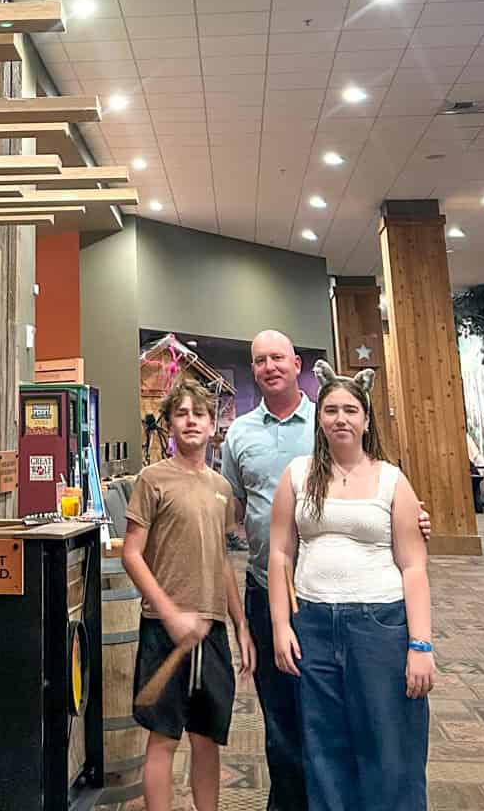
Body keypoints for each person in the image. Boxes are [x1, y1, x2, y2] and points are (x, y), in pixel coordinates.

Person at [222, 331, 430, 810]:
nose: (340, 418)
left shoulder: (388, 475)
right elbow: (267, 541)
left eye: (350, 410)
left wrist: (421, 642)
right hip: (298, 612)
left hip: (377, 622)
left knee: (385, 737)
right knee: (308, 738)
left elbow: (412, 562)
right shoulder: (259, 446)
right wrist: (278, 625)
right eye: (260, 360)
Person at [122, 377, 256, 811]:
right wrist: (171, 613)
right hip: (165, 630)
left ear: (213, 423)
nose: (191, 421)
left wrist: (240, 625)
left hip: (212, 630)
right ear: (169, 424)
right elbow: (132, 555)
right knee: (163, 738)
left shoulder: (220, 489)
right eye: (181, 414)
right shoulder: (152, 479)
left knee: (207, 737)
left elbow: (221, 561)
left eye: (199, 414)